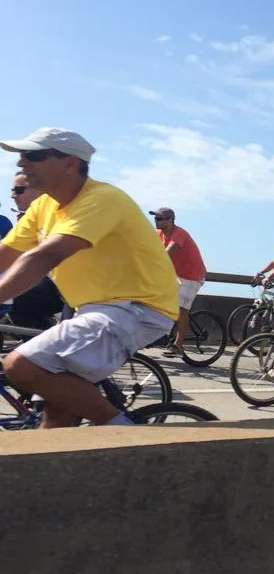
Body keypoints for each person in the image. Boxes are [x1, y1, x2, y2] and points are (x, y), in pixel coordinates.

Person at [0, 127, 178, 428]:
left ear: (70, 163)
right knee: (57, 410)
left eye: (33, 155)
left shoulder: (102, 199)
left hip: (136, 308)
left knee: (21, 365)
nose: (22, 163)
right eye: (21, 156)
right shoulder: (43, 207)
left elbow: (43, 256)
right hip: (94, 309)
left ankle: (129, 438)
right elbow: (7, 252)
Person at [5, 171, 64, 330]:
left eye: (18, 190)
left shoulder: (58, 215)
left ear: (40, 192)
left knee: (17, 295)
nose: (12, 195)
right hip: (47, 284)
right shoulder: (25, 218)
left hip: (64, 286)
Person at [150, 207, 207, 358]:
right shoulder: (158, 234)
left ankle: (178, 345)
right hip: (176, 274)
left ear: (170, 221)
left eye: (160, 219)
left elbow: (167, 253)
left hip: (192, 275)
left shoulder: (179, 234)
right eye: (155, 218)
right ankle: (161, 333)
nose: (156, 221)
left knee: (181, 309)